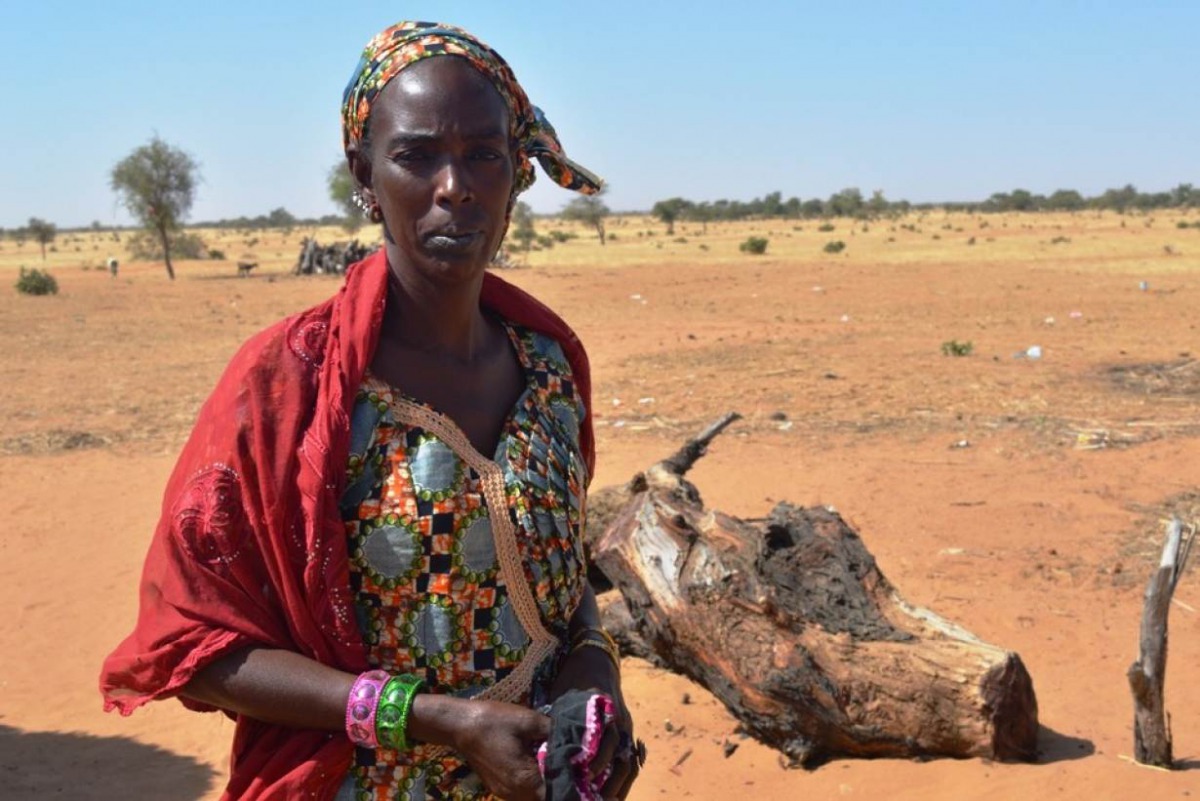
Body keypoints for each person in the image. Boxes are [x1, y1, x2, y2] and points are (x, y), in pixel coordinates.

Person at [100, 20, 639, 801]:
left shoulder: (548, 365)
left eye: (484, 154)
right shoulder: (289, 384)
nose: (454, 186)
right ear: (365, 174)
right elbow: (197, 643)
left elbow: (553, 565)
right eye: (417, 155)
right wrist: (435, 719)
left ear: (516, 175)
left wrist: (594, 667)